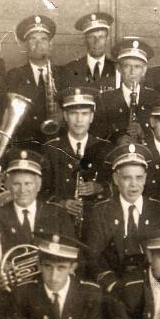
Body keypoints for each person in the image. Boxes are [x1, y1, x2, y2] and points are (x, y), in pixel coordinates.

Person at [84, 143, 160, 291]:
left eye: (139, 177)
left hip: (152, 285)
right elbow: (93, 256)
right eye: (127, 178)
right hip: (115, 286)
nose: (134, 184)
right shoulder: (101, 211)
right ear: (116, 179)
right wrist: (112, 284)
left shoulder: (158, 211)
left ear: (145, 178)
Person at [0, 149, 76, 281]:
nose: (22, 190)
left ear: (38, 185)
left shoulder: (58, 214)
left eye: (28, 184)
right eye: (16, 184)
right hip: (11, 290)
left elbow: (72, 255)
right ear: (8, 186)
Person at [41, 86, 112, 234]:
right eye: (74, 113)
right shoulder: (51, 149)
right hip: (60, 226)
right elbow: (41, 191)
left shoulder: (104, 148)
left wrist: (99, 188)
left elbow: (116, 186)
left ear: (91, 117)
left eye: (84, 114)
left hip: (96, 227)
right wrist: (62, 203)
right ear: (65, 116)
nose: (79, 120)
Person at [4, 15, 63, 146]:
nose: (38, 44)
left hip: (57, 142)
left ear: (50, 45)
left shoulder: (63, 73)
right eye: (33, 39)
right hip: (25, 142)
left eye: (43, 39)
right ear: (25, 45)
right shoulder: (14, 75)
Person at [59, 12, 118, 136]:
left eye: (101, 37)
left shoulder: (117, 69)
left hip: (111, 136)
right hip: (80, 135)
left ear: (107, 39)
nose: (96, 42)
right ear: (85, 39)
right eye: (92, 37)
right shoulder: (70, 69)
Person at [101, 38, 159, 144]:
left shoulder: (154, 98)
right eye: (127, 66)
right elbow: (99, 134)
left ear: (144, 70)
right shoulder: (105, 99)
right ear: (119, 68)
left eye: (137, 67)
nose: (132, 72)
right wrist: (116, 139)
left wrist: (143, 133)